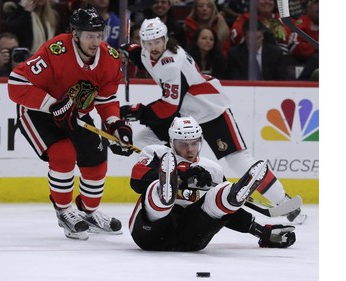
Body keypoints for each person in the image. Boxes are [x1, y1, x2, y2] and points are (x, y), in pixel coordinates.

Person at [119, 17, 306, 224]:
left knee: (237, 158)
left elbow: (167, 108)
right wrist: (133, 51)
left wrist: (137, 111)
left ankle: (283, 201)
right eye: (148, 42)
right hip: (185, 116)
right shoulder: (147, 52)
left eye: (157, 41)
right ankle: (177, 183)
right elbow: (144, 58)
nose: (153, 47)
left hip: (209, 110)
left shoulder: (172, 63)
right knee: (146, 140)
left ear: (165, 39)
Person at [7, 7, 134, 240]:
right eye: (89, 36)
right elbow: (16, 83)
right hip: (38, 112)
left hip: (73, 113)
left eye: (99, 35)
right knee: (63, 153)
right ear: (75, 34)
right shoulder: (55, 51)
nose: (95, 41)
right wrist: (53, 105)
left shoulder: (110, 58)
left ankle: (89, 212)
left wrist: (115, 124)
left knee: (96, 158)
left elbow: (106, 99)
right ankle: (64, 211)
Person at [128, 116, 296, 251]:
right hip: (149, 233)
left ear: (200, 142)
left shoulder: (212, 170)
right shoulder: (158, 154)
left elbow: (228, 215)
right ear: (172, 142)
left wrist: (261, 232)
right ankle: (167, 190)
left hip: (190, 238)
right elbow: (137, 182)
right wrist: (182, 175)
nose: (190, 149)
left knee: (219, 199)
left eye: (194, 143)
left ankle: (229, 194)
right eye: (183, 144)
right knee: (155, 191)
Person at [226, 20, 290, 80]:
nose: (255, 42)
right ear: (245, 37)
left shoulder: (275, 53)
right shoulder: (234, 54)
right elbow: (235, 81)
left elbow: (283, 79)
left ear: (263, 36)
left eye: (258, 38)